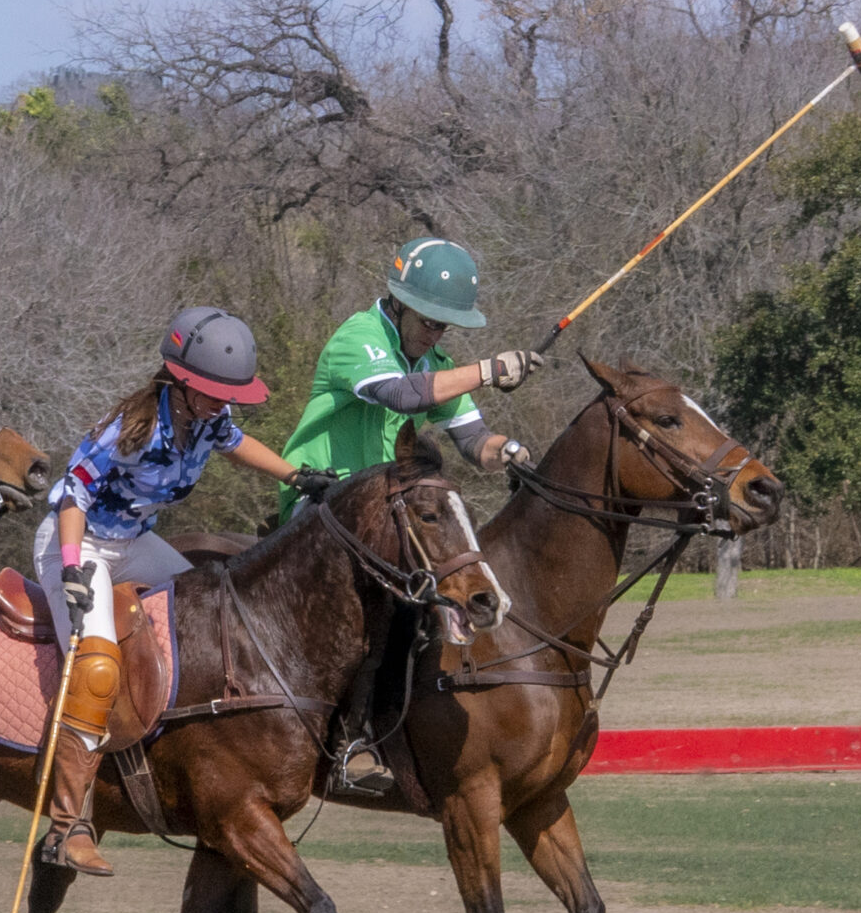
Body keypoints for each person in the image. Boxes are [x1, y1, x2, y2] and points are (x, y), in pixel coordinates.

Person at [38, 306, 330, 876]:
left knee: (207, 607)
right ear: (181, 383)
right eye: (215, 394)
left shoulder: (208, 420)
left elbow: (239, 443)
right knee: (97, 667)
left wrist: (295, 476)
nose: (224, 405)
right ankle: (67, 825)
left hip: (132, 543)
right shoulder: (129, 429)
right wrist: (72, 568)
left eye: (229, 396)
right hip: (77, 544)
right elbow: (72, 495)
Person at [277, 236, 542, 796]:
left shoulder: (437, 363)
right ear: (397, 303)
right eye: (429, 321)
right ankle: (344, 739)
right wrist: (489, 369)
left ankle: (407, 735)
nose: (436, 334)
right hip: (319, 506)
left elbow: (473, 440)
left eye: (446, 327)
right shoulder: (360, 338)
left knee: (449, 588)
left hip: (386, 519)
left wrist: (510, 450)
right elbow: (401, 395)